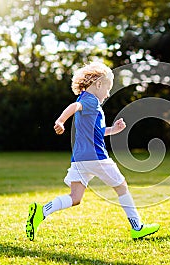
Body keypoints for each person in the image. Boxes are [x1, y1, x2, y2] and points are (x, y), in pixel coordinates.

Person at [26, 62, 160, 241]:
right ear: (98, 84)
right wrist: (60, 121)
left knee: (75, 198)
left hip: (79, 160)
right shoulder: (90, 100)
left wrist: (113, 129)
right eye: (108, 88)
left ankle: (41, 212)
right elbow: (74, 107)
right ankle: (137, 227)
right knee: (121, 187)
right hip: (97, 158)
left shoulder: (87, 101)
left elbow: (96, 131)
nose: (108, 93)